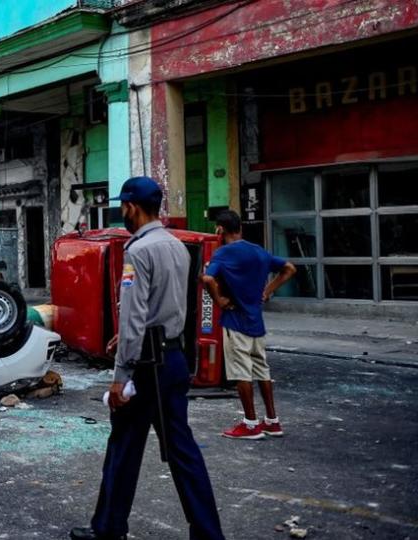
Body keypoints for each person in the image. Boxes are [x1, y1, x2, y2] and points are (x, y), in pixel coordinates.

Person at [71, 177, 224, 540]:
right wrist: (127, 337)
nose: (122, 213)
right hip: (171, 359)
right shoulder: (175, 246)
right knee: (182, 451)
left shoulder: (138, 251)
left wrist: (120, 376)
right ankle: (207, 533)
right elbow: (166, 308)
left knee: (124, 447)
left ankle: (108, 529)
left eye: (122, 207)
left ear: (131, 208)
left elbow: (135, 314)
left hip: (144, 365)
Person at [201, 210, 296, 440]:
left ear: (220, 229)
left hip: (235, 322)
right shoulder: (259, 252)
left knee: (241, 372)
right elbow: (289, 268)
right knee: (262, 370)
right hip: (257, 322)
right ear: (240, 228)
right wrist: (267, 291)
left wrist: (220, 300)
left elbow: (207, 278)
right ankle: (272, 421)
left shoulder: (223, 253)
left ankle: (250, 423)